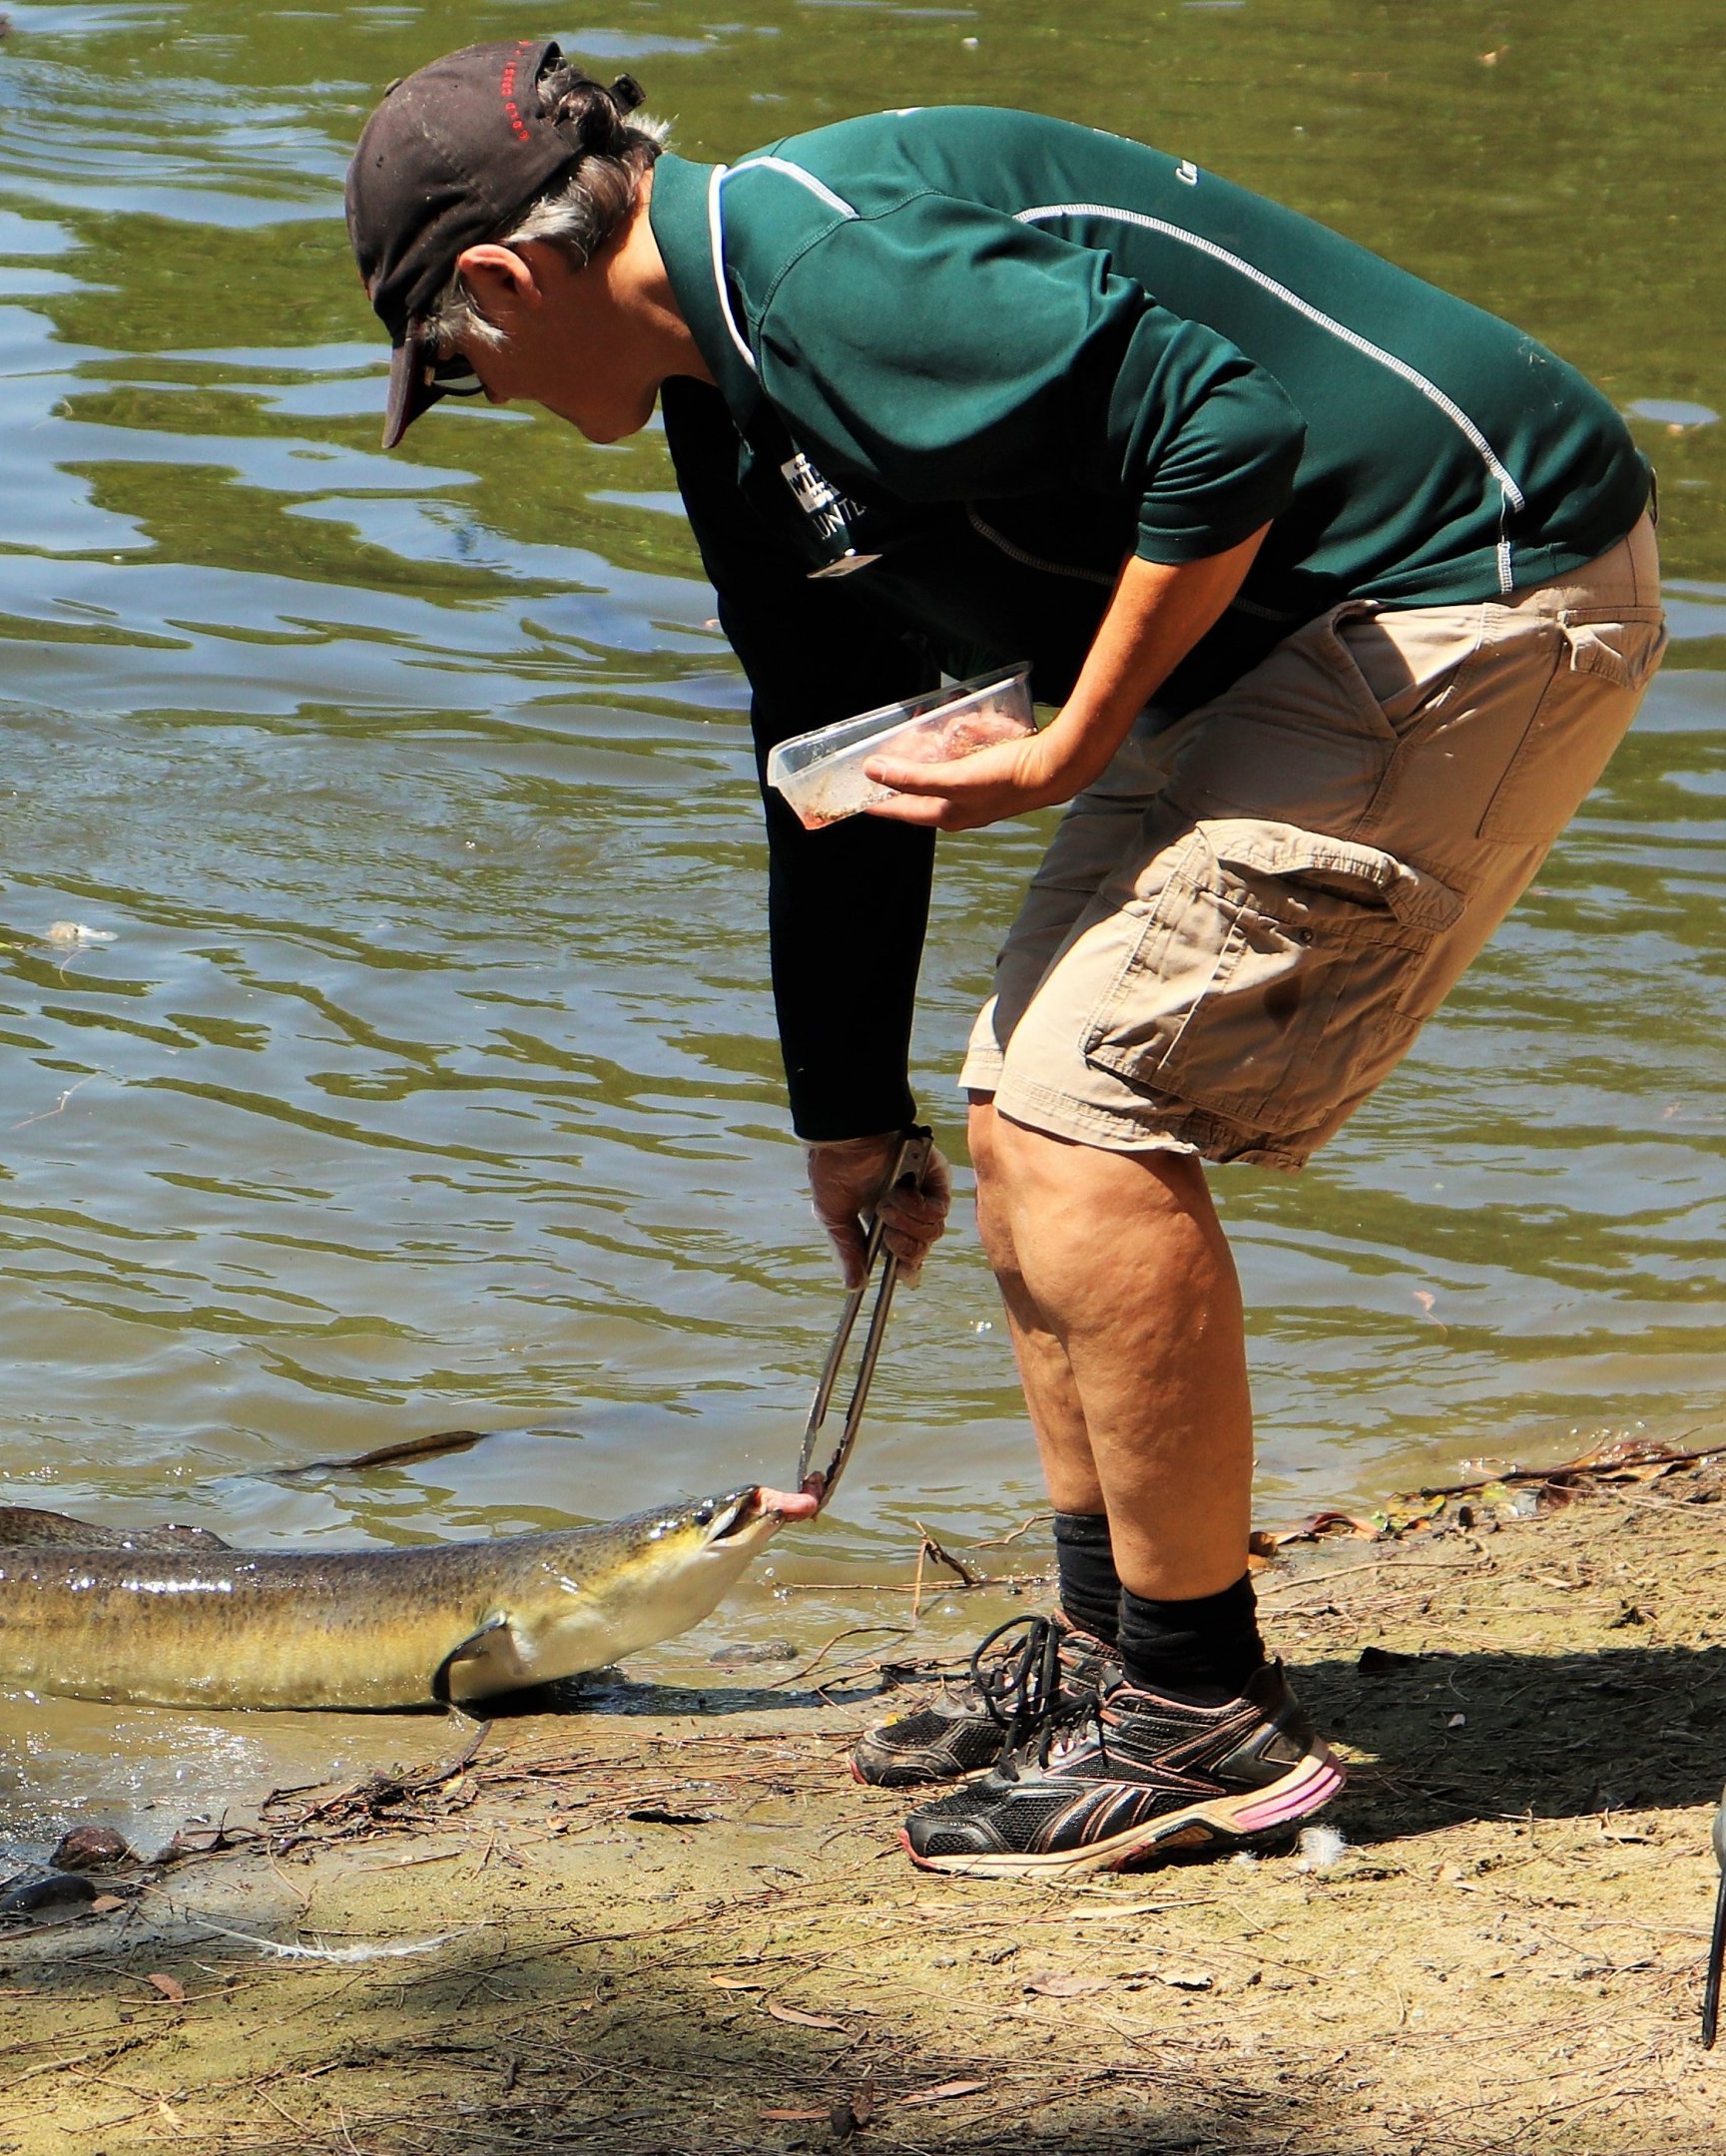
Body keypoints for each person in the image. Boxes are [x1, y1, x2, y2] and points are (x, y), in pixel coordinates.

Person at [345, 41, 1662, 1878]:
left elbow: (1225, 431)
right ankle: (1124, 1655)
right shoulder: (730, 390)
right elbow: (833, 732)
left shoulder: (815, 268)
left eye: (454, 366)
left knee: (1084, 1106)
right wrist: (843, 1110)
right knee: (1008, 1096)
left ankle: (1202, 1714)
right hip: (1290, 628)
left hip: (1475, 573)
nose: (475, 387)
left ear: (499, 281)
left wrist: (1061, 750)